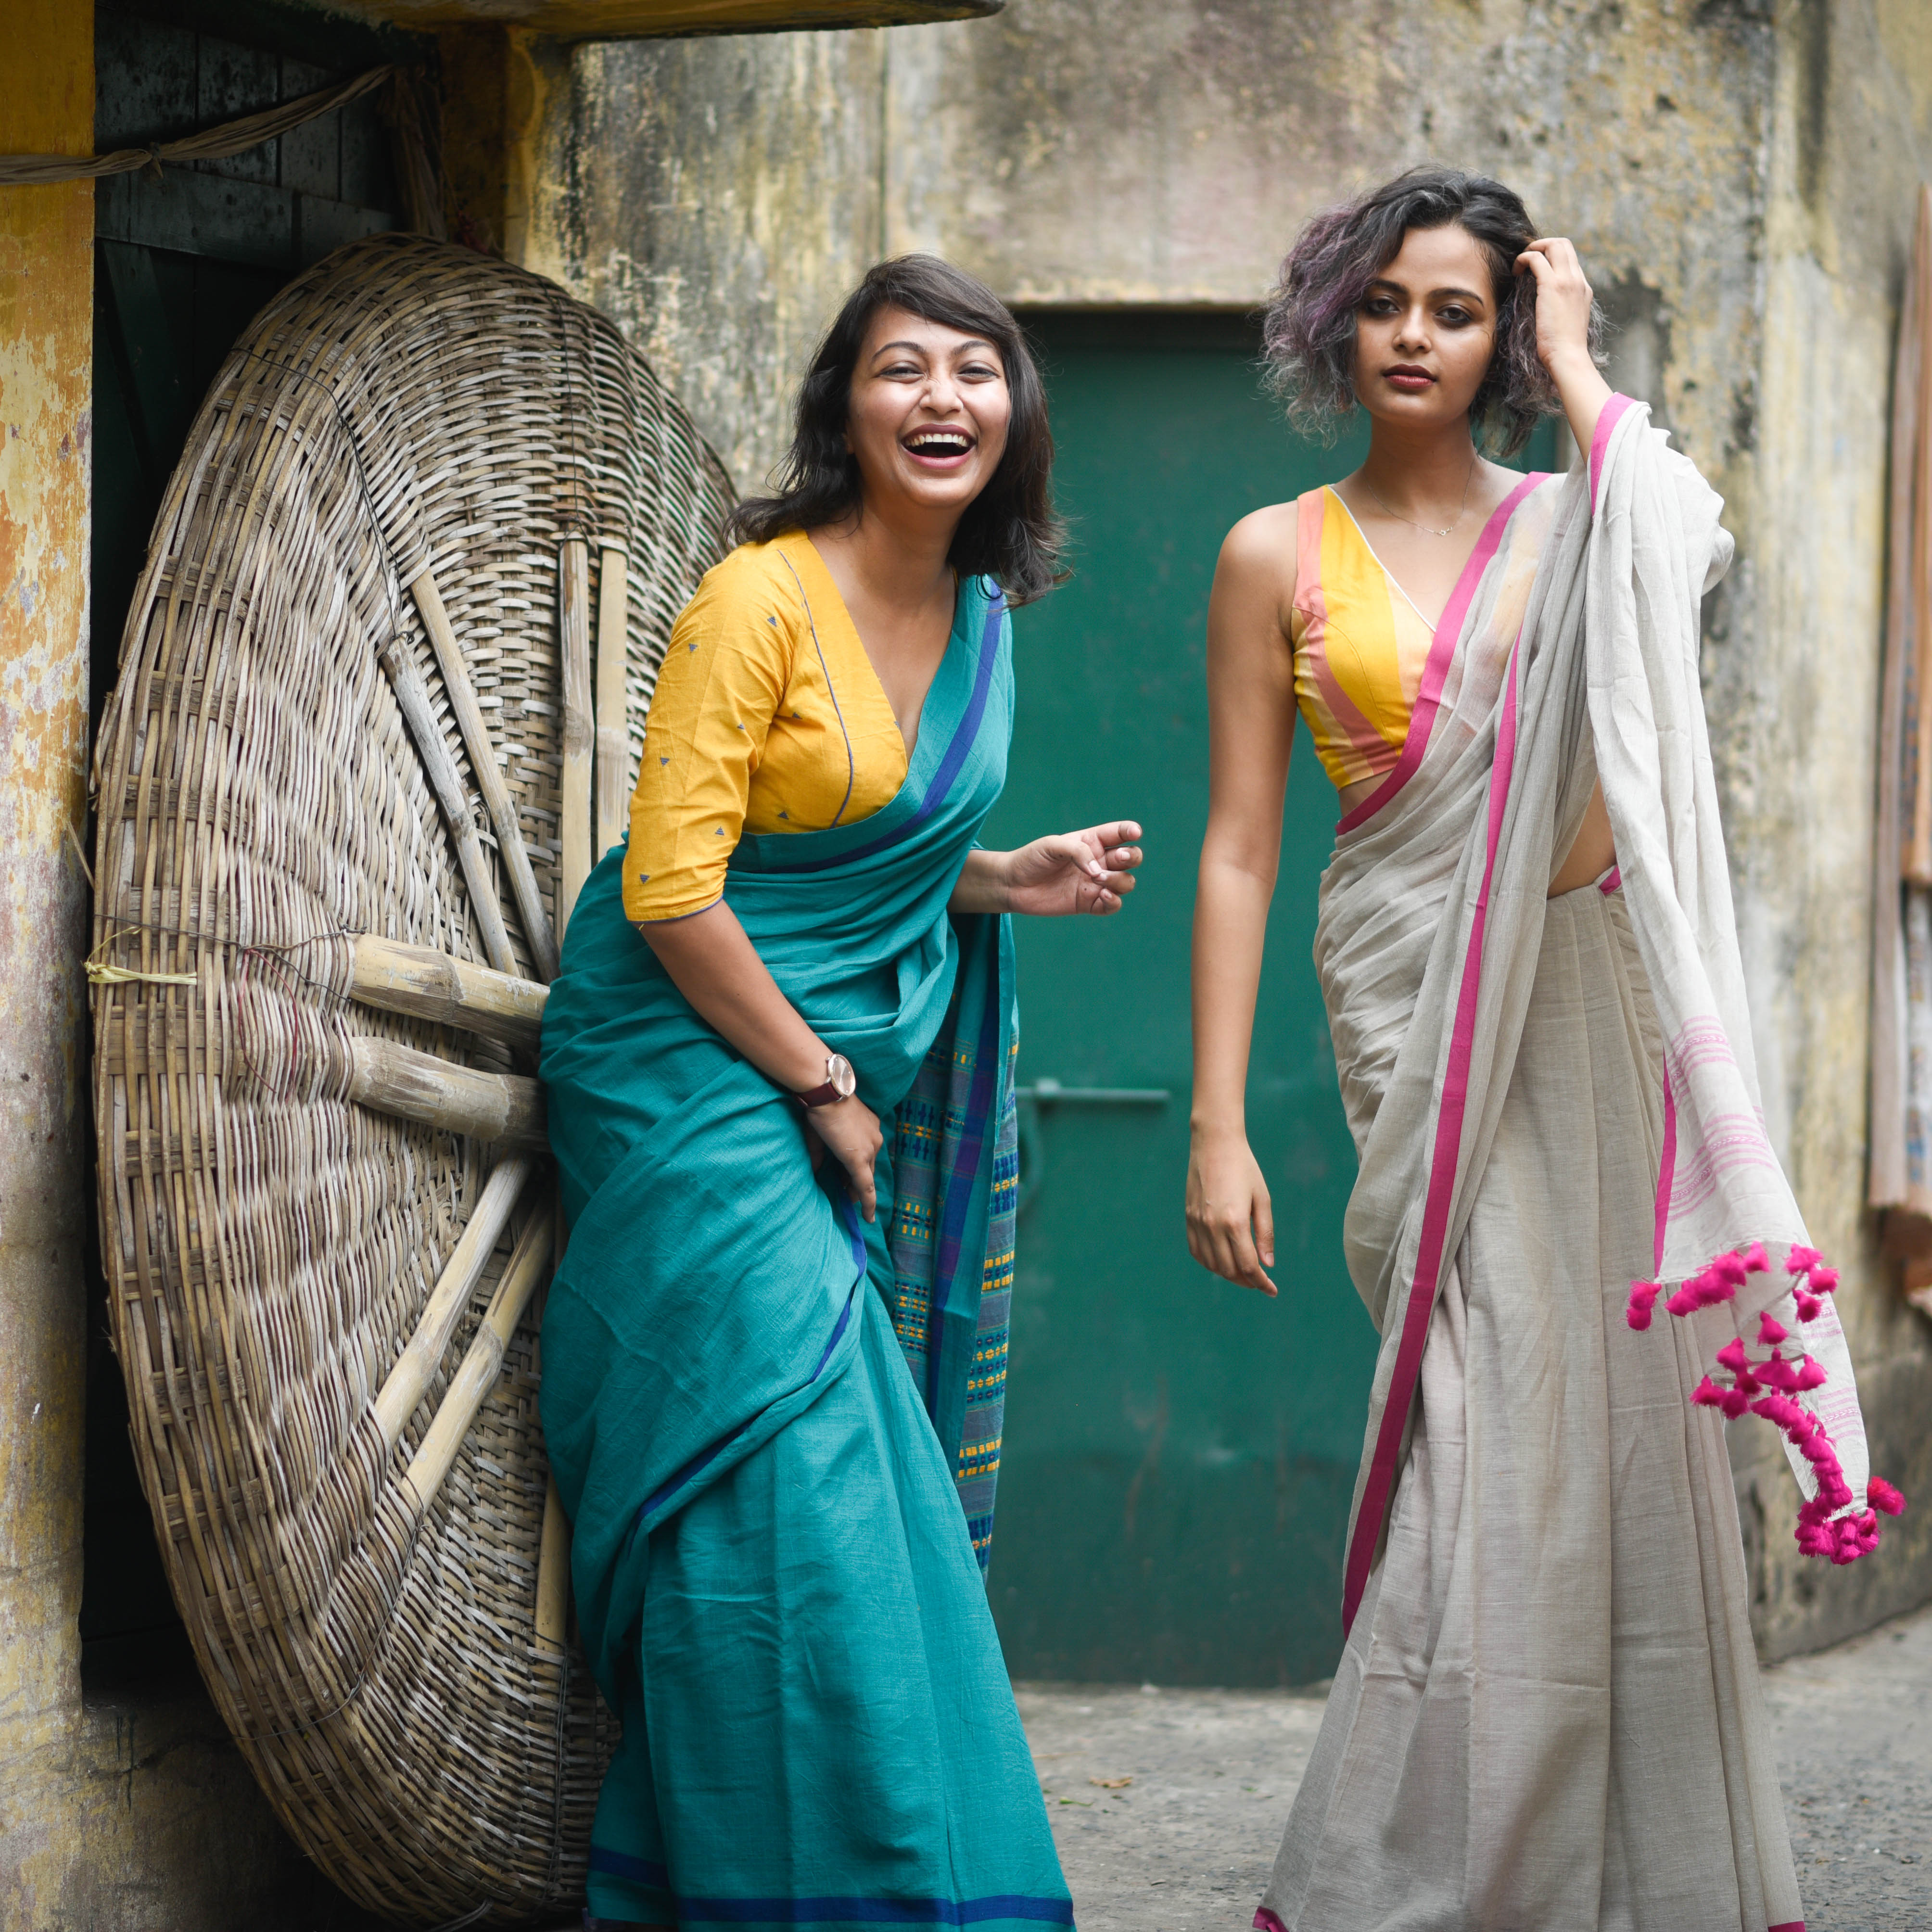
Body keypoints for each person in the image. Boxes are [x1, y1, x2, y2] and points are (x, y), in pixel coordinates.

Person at [1186, 166, 1903, 1931]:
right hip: (1411, 1005)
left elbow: (1692, 542)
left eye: (1458, 307)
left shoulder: (1583, 511)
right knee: (1480, 1409)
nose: (1415, 337)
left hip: (1582, 1010)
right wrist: (1215, 1122)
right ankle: (1422, 1870)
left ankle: (1554, 1862)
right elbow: (1241, 847)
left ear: (1504, 328)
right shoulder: (1272, 550)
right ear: (1331, 319)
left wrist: (1586, 368)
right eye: (1384, 302)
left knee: (1584, 1432)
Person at [537, 254, 1144, 1932]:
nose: (940, 397)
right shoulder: (760, 599)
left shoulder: (983, 620)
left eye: (974, 368)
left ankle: (840, 1871)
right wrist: (821, 1087)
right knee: (794, 1453)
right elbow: (674, 892)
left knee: (849, 1477)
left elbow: (875, 858)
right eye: (901, 369)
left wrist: (1009, 875)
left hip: (809, 1061)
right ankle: (828, 1881)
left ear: (1014, 413)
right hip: (675, 1049)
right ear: (845, 409)